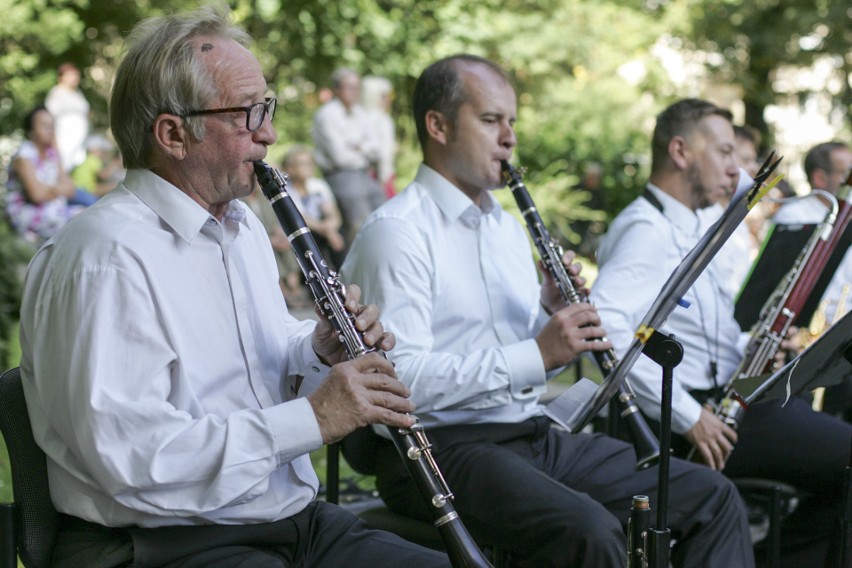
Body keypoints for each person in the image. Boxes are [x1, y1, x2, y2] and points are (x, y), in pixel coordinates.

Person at [18, 7, 450, 567]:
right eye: (247, 114)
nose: (268, 134)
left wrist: (318, 351)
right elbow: (130, 457)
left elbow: (257, 366)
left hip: (286, 520)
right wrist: (314, 419)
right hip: (162, 544)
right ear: (173, 133)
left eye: (266, 108)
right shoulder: (102, 258)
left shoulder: (240, 229)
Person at [342, 55, 753, 568]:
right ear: (438, 126)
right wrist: (538, 352)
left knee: (710, 495)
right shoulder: (398, 233)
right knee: (594, 534)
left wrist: (553, 325)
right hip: (436, 450)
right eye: (491, 121)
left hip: (527, 434)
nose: (509, 137)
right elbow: (399, 382)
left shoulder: (505, 230)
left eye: (512, 121)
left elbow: (523, 364)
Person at [592, 99, 852, 566]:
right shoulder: (645, 229)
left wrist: (752, 351)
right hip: (691, 424)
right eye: (725, 152)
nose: (737, 169)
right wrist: (689, 415)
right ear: (680, 151)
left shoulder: (695, 224)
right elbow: (605, 330)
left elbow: (710, 333)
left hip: (727, 403)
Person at [312, 68, 385, 248]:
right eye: (350, 87)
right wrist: (363, 148)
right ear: (337, 89)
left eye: (357, 88)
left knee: (383, 209)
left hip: (363, 173)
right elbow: (340, 158)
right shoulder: (327, 115)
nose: (355, 93)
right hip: (340, 175)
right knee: (359, 221)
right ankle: (356, 266)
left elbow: (377, 147)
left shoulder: (360, 112)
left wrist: (358, 147)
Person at [5, 106, 95, 244]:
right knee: (87, 218)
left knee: (92, 212)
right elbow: (37, 195)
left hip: (53, 210)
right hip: (28, 215)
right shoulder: (24, 156)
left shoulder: (51, 154)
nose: (50, 130)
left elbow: (70, 189)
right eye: (44, 125)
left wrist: (48, 188)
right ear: (31, 130)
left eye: (52, 126)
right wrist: (58, 189)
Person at [281, 145, 346, 269]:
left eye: (310, 162)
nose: (309, 167)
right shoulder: (286, 189)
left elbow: (333, 213)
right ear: (290, 168)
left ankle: (343, 276)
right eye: (303, 163)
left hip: (323, 230)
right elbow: (299, 218)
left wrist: (331, 229)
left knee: (339, 233)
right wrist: (327, 231)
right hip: (302, 231)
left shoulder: (318, 185)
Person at [45, 62, 91, 171]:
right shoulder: (56, 93)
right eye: (71, 75)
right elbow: (50, 117)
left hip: (79, 143)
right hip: (64, 139)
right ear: (62, 77)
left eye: (76, 75)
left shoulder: (78, 93)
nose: (75, 78)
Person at [361, 75, 397, 198]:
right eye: (384, 96)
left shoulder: (362, 117)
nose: (388, 100)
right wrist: (383, 180)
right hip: (379, 177)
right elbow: (384, 153)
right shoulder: (382, 120)